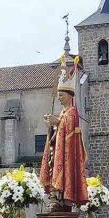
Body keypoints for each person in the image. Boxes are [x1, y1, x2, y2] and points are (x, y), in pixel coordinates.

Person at [39, 54, 88, 208]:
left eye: (61, 95)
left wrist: (58, 122)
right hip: (58, 151)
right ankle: (56, 196)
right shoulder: (63, 112)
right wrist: (52, 125)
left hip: (66, 153)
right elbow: (59, 128)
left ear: (68, 95)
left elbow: (69, 128)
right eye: (59, 95)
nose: (59, 98)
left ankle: (63, 197)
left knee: (63, 172)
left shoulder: (72, 112)